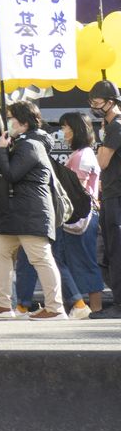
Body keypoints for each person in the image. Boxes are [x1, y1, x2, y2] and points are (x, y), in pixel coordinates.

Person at [0, 101, 65, 320]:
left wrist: (1, 150)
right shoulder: (22, 142)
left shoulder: (31, 145)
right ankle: (3, 304)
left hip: (30, 212)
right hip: (15, 213)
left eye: (11, 118)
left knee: (40, 257)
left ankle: (55, 307)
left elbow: (12, 173)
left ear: (23, 123)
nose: (8, 121)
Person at [60, 111, 103, 318]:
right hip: (83, 215)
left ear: (76, 129)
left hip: (81, 216)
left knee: (85, 261)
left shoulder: (82, 156)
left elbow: (78, 189)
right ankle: (85, 306)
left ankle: (94, 308)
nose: (63, 131)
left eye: (65, 127)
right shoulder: (82, 153)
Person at [91, 80, 121, 319]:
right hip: (111, 195)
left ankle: (119, 304)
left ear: (110, 102)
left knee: (115, 251)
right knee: (109, 252)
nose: (94, 106)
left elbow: (101, 162)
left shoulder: (116, 127)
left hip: (116, 197)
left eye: (97, 102)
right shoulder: (112, 126)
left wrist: (102, 140)